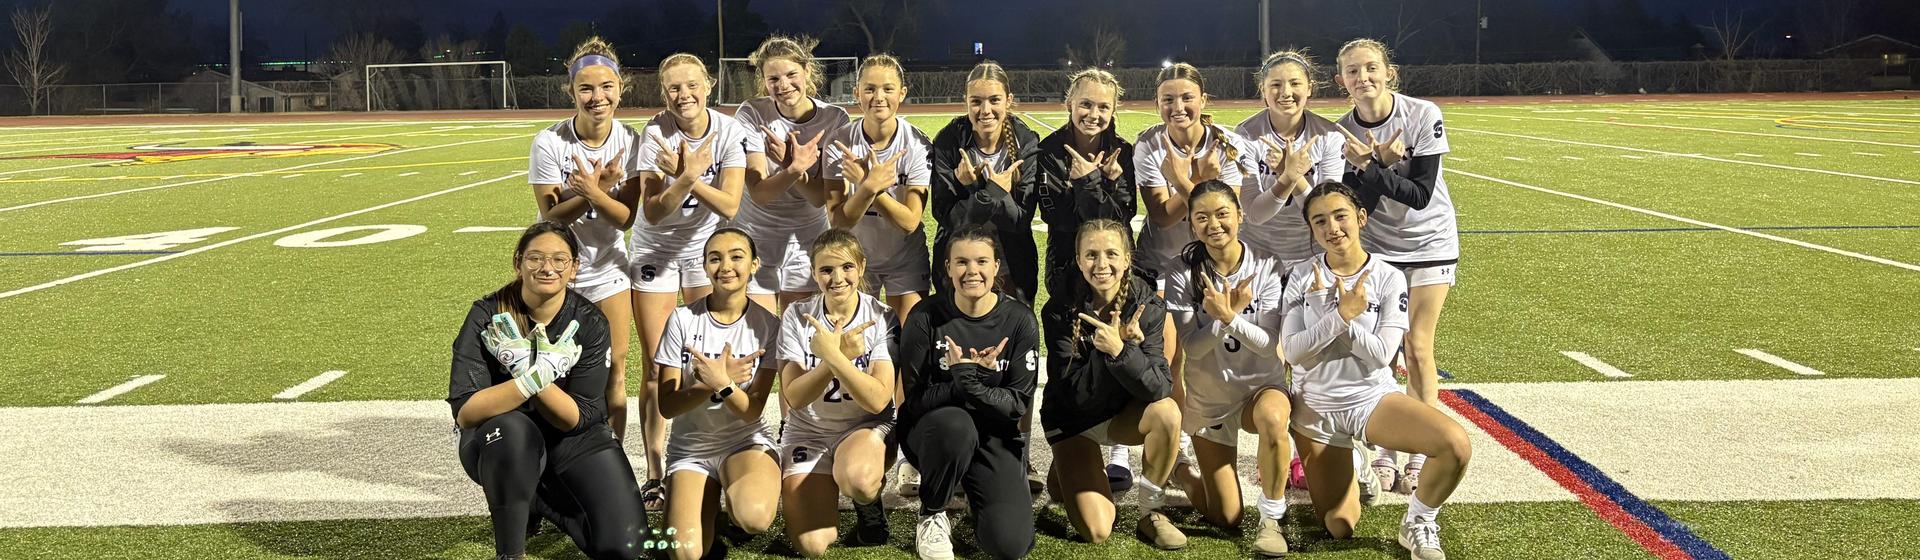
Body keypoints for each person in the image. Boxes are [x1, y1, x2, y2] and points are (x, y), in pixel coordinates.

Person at [1282, 182, 1472, 560]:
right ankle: (1358, 466)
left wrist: (1337, 319)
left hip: (1369, 400)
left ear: (1361, 218)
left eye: (1340, 216)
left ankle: (1418, 520)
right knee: (1339, 526)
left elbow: (1383, 355)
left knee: (1455, 446)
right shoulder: (1302, 275)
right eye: (1320, 221)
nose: (1332, 227)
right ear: (1311, 230)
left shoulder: (1388, 277)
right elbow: (1292, 352)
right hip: (1314, 411)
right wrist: (1337, 315)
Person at [449, 221, 646, 560]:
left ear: (574, 269)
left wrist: (532, 373)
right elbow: (467, 412)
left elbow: (578, 418)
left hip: (572, 437)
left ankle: (540, 500)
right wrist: (530, 379)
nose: (547, 268)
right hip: (503, 440)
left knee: (626, 547)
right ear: (518, 263)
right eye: (536, 258)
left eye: (559, 260)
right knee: (511, 431)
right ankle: (511, 553)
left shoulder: (589, 322)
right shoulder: (487, 314)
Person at [1332, 38, 1461, 494]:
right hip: (1380, 248)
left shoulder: (1422, 114)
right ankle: (1388, 447)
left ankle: (1423, 452)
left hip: (1430, 243)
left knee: (1417, 347)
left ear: (1390, 72)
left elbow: (1421, 195)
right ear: (1340, 80)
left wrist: (1373, 167)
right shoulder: (1341, 130)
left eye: (1370, 68)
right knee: (1380, 350)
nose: (1362, 78)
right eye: (1352, 71)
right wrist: (1371, 170)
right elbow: (1358, 204)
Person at [631, 52, 753, 508]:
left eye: (691, 85)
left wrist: (686, 177)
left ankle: (710, 456)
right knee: (656, 364)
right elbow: (654, 210)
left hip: (706, 250)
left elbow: (730, 205)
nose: (683, 95)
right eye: (673, 88)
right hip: (657, 251)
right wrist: (685, 181)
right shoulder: (655, 132)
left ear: (710, 85)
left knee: (706, 360)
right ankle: (656, 470)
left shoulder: (728, 131)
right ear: (664, 94)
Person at [1038, 219, 1187, 550]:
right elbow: (1075, 395)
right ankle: (1068, 465)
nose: (1101, 264)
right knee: (1097, 530)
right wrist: (1111, 350)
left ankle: (1152, 511)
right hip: (1075, 421)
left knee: (1167, 413)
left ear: (1127, 259)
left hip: (1123, 414)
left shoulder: (1147, 306)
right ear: (1078, 260)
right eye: (1090, 255)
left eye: (1110, 254)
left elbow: (1159, 388)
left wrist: (1123, 352)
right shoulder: (1060, 311)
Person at [526, 37, 646, 447]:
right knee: (551, 368)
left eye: (607, 87)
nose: (598, 97)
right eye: (587, 88)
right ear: (572, 91)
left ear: (620, 87)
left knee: (616, 367)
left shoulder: (631, 141)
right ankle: (555, 456)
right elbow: (551, 217)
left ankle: (608, 455)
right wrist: (593, 192)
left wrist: (595, 194)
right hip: (556, 272)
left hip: (610, 269)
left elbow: (626, 218)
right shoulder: (550, 142)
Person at [1163, 180, 1293, 557]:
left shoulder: (1267, 265)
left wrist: (1230, 318)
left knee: (1273, 417)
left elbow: (1269, 343)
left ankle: (1271, 521)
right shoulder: (1182, 271)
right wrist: (1222, 320)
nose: (1213, 224)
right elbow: (1191, 348)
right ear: (1191, 225)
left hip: (1259, 389)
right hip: (1210, 398)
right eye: (1201, 218)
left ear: (1240, 215)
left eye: (1222, 214)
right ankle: (1183, 472)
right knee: (1226, 515)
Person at [895, 225, 1040, 560]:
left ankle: (979, 487)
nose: (971, 271)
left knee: (1009, 545)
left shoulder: (1020, 320)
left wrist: (968, 381)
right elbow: (914, 403)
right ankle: (932, 511)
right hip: (937, 433)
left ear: (996, 267)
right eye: (961, 262)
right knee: (956, 426)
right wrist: (963, 383)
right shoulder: (925, 317)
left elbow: (1016, 406)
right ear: (947, 268)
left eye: (981, 262)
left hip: (994, 434)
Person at [1033, 67, 1139, 492]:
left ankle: (1118, 450)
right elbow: (1057, 217)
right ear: (1069, 104)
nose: (1093, 113)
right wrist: (1099, 186)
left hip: (1115, 267)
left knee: (1117, 343)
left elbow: (1122, 217)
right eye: (1086, 104)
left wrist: (1091, 183)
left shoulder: (1122, 150)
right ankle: (1073, 441)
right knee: (1071, 352)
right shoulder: (1048, 151)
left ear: (1113, 111)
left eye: (1103, 106)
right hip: (1066, 266)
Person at [652, 228, 781, 560]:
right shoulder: (681, 319)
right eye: (715, 258)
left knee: (753, 516)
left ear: (754, 264)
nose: (726, 266)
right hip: (690, 449)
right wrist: (708, 383)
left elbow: (752, 411)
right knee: (684, 554)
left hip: (745, 443)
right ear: (706, 266)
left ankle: (733, 501)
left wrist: (723, 384)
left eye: (737, 256)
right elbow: (667, 406)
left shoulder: (768, 325)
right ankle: (706, 494)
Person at [775, 229, 898, 557]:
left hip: (864, 427)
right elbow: (795, 397)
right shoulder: (796, 316)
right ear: (814, 274)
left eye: (846, 267)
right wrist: (833, 358)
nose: (837, 278)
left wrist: (833, 355)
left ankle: (869, 508)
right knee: (813, 546)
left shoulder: (882, 317)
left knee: (857, 479)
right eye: (826, 270)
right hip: (808, 430)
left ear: (861, 267)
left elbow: (877, 399)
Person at [735, 35, 849, 313]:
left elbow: (818, 198)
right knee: (757, 334)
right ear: (763, 80)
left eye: (791, 74)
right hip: (756, 234)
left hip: (807, 236)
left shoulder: (835, 119)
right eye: (773, 79)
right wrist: (796, 167)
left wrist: (790, 167)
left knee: (797, 333)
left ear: (807, 70)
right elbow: (760, 192)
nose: (783, 85)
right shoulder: (752, 113)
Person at [824, 53, 933, 327]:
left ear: (902, 93)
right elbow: (839, 221)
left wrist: (868, 186)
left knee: (909, 340)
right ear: (857, 93)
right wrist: (868, 186)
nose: (878, 97)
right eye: (870, 89)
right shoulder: (839, 142)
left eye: (888, 89)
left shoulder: (918, 145)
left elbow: (909, 221)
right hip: (855, 258)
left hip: (905, 257)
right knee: (857, 342)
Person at [930, 60, 1043, 305]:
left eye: (994, 100)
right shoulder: (949, 141)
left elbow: (1020, 221)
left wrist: (974, 189)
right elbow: (947, 218)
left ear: (1008, 100)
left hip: (1013, 263)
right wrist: (991, 191)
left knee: (1011, 337)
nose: (985, 110)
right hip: (960, 265)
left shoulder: (1026, 142)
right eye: (976, 101)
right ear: (966, 102)